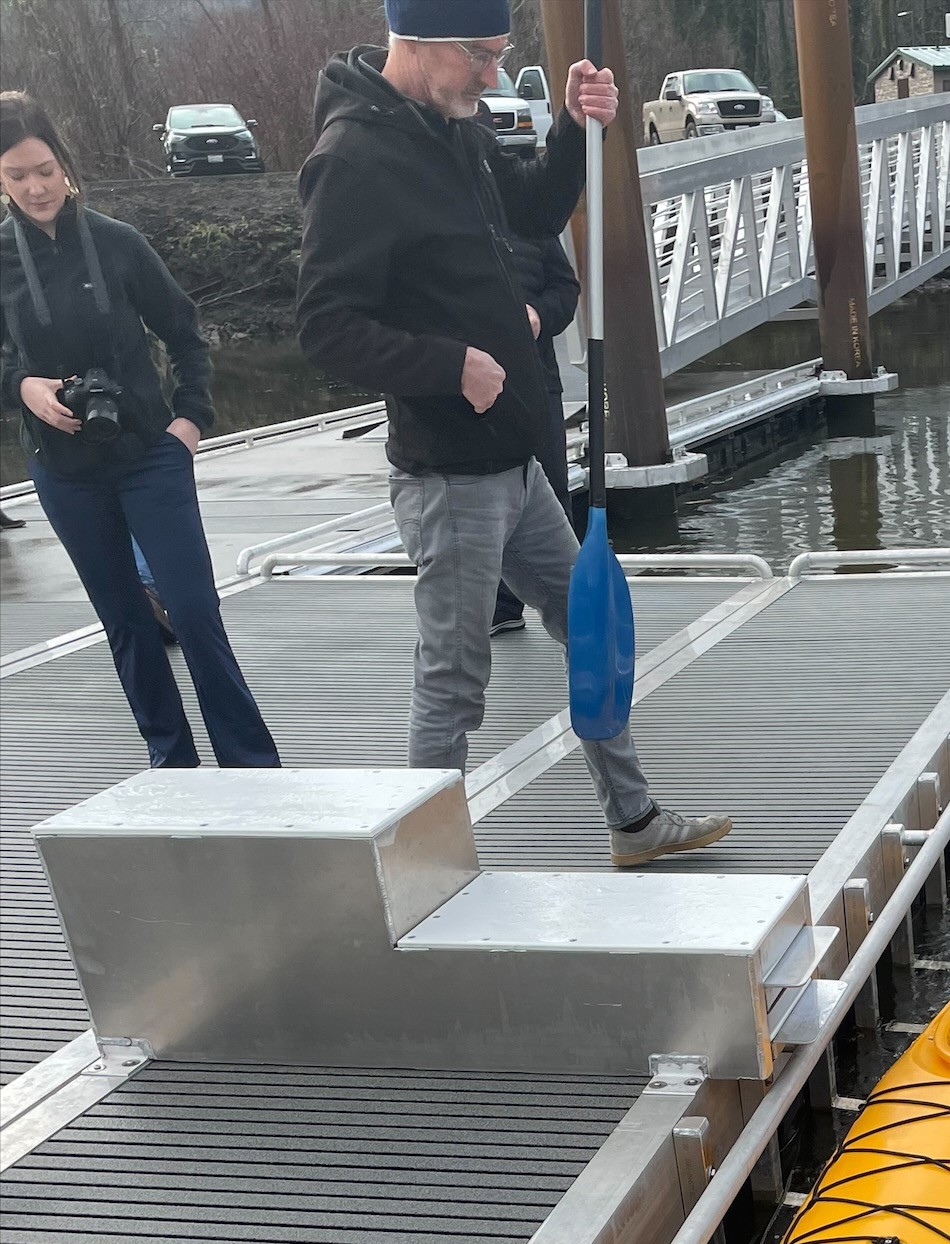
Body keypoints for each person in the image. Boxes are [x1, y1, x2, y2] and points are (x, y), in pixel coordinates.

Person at [295, 0, 728, 868]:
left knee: (591, 627)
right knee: (454, 683)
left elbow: (532, 215)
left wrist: (572, 126)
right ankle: (422, 868)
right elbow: (323, 328)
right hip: (448, 475)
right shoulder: (354, 157)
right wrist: (449, 364)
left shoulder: (455, 124)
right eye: (481, 57)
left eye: (501, 56)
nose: (494, 76)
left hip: (519, 462)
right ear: (418, 43)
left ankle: (632, 823)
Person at [0, 91, 279, 769]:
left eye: (45, 169)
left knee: (192, 612)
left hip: (150, 455)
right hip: (64, 473)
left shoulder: (119, 244)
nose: (36, 187)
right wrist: (23, 386)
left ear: (65, 165)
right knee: (125, 622)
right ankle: (171, 764)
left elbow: (186, 337)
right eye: (17, 174)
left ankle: (252, 766)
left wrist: (190, 421)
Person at [490, 226, 580, 634]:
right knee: (486, 494)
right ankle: (500, 607)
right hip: (469, 387)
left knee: (551, 491)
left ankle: (575, 609)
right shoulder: (437, 206)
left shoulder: (527, 213)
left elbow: (566, 288)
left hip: (537, 381)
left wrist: (539, 316)